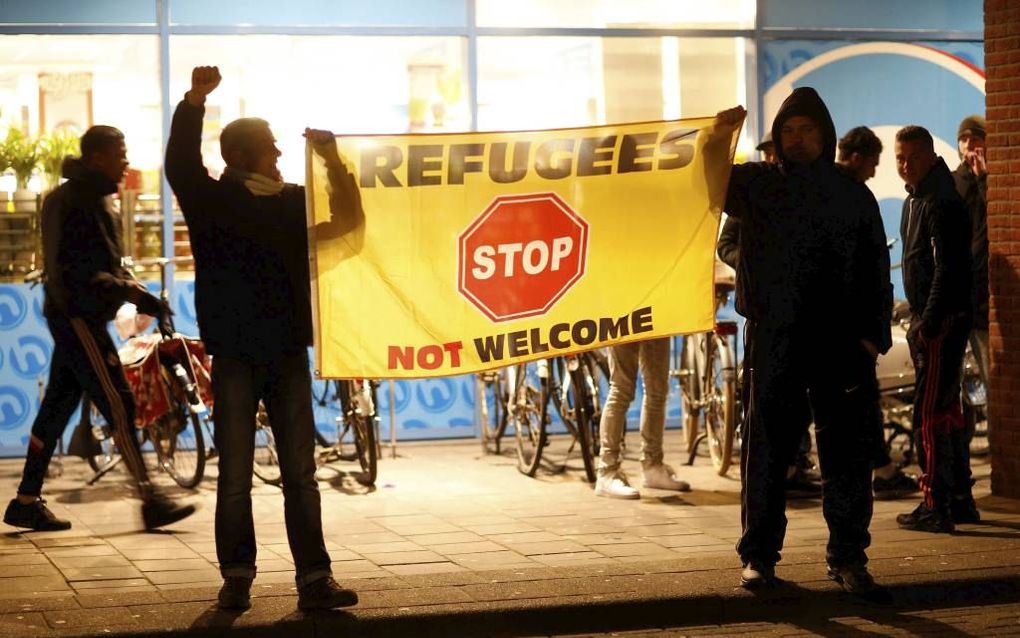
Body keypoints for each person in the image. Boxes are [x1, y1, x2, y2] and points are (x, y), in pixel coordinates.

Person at [165, 66, 362, 611]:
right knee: (233, 474)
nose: (279, 156)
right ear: (243, 156)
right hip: (233, 352)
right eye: (270, 149)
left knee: (301, 473)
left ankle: (315, 580)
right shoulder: (212, 201)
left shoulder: (288, 201)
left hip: (285, 351)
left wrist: (332, 159)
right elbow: (179, 164)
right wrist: (194, 102)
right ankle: (237, 578)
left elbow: (346, 219)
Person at [717, 88, 892, 599]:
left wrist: (871, 337)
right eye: (788, 131)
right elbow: (704, 178)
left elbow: (874, 268)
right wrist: (723, 134)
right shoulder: (756, 186)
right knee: (767, 450)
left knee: (846, 453)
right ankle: (758, 556)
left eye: (806, 130)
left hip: (841, 344)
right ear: (777, 138)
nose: (796, 140)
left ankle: (848, 557)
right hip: (775, 337)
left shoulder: (850, 192)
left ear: (825, 135)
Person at [3, 126, 196, 532]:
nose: (126, 161)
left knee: (56, 409)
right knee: (118, 402)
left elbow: (103, 265)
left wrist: (134, 292)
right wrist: (131, 292)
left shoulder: (91, 199)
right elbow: (75, 273)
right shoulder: (72, 201)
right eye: (119, 153)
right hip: (77, 316)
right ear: (97, 158)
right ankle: (150, 498)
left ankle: (25, 500)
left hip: (81, 314)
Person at [719, 134, 820, 499]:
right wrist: (751, 260)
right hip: (765, 308)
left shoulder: (810, 190)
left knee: (802, 395)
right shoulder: (753, 191)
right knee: (763, 393)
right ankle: (772, 471)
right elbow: (725, 244)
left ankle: (797, 460)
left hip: (802, 308)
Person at [892, 125, 979, 533]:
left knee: (930, 414)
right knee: (947, 411)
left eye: (912, 157)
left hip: (940, 323)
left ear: (929, 156)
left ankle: (935, 504)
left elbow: (947, 268)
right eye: (899, 158)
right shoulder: (918, 199)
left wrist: (927, 322)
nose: (904, 165)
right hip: (937, 318)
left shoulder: (939, 200)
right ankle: (959, 497)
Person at [835, 126, 921, 499]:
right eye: (873, 162)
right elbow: (871, 267)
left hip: (836, 325)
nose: (874, 171)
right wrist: (873, 334)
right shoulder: (854, 197)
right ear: (857, 158)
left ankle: (868, 470)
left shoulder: (820, 192)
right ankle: (880, 472)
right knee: (862, 401)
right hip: (850, 327)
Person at [594, 338, 691, 499]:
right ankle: (606, 473)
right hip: (621, 315)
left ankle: (652, 467)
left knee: (657, 391)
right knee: (621, 388)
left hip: (657, 316)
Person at [952, 115, 989, 415]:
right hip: (958, 296)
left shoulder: (995, 179)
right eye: (964, 139)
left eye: (975, 138)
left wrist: (985, 177)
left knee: (993, 376)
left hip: (986, 299)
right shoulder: (952, 182)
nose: (969, 144)